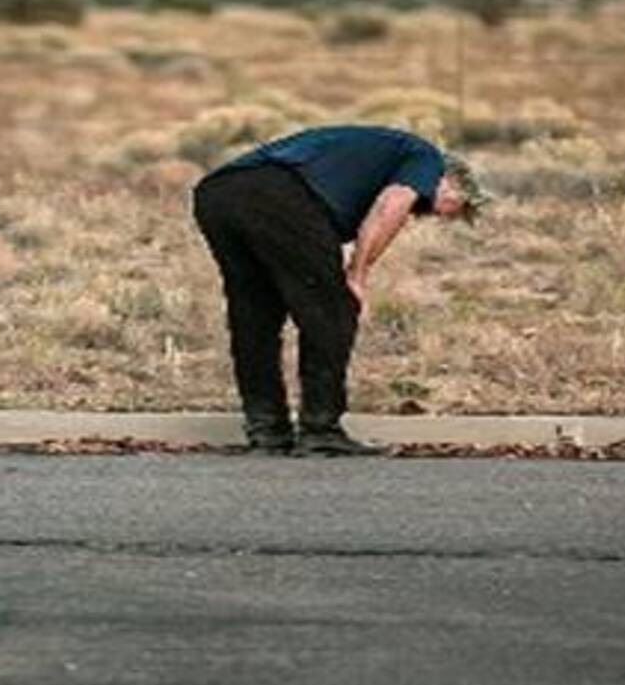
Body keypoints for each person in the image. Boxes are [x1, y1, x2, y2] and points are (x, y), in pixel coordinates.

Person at [191, 125, 489, 456]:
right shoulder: (426, 157)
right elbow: (390, 207)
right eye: (455, 207)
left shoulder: (374, 159)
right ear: (450, 179)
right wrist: (357, 275)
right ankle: (321, 430)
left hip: (218, 194)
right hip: (277, 194)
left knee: (255, 315)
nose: (438, 215)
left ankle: (267, 431)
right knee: (333, 310)